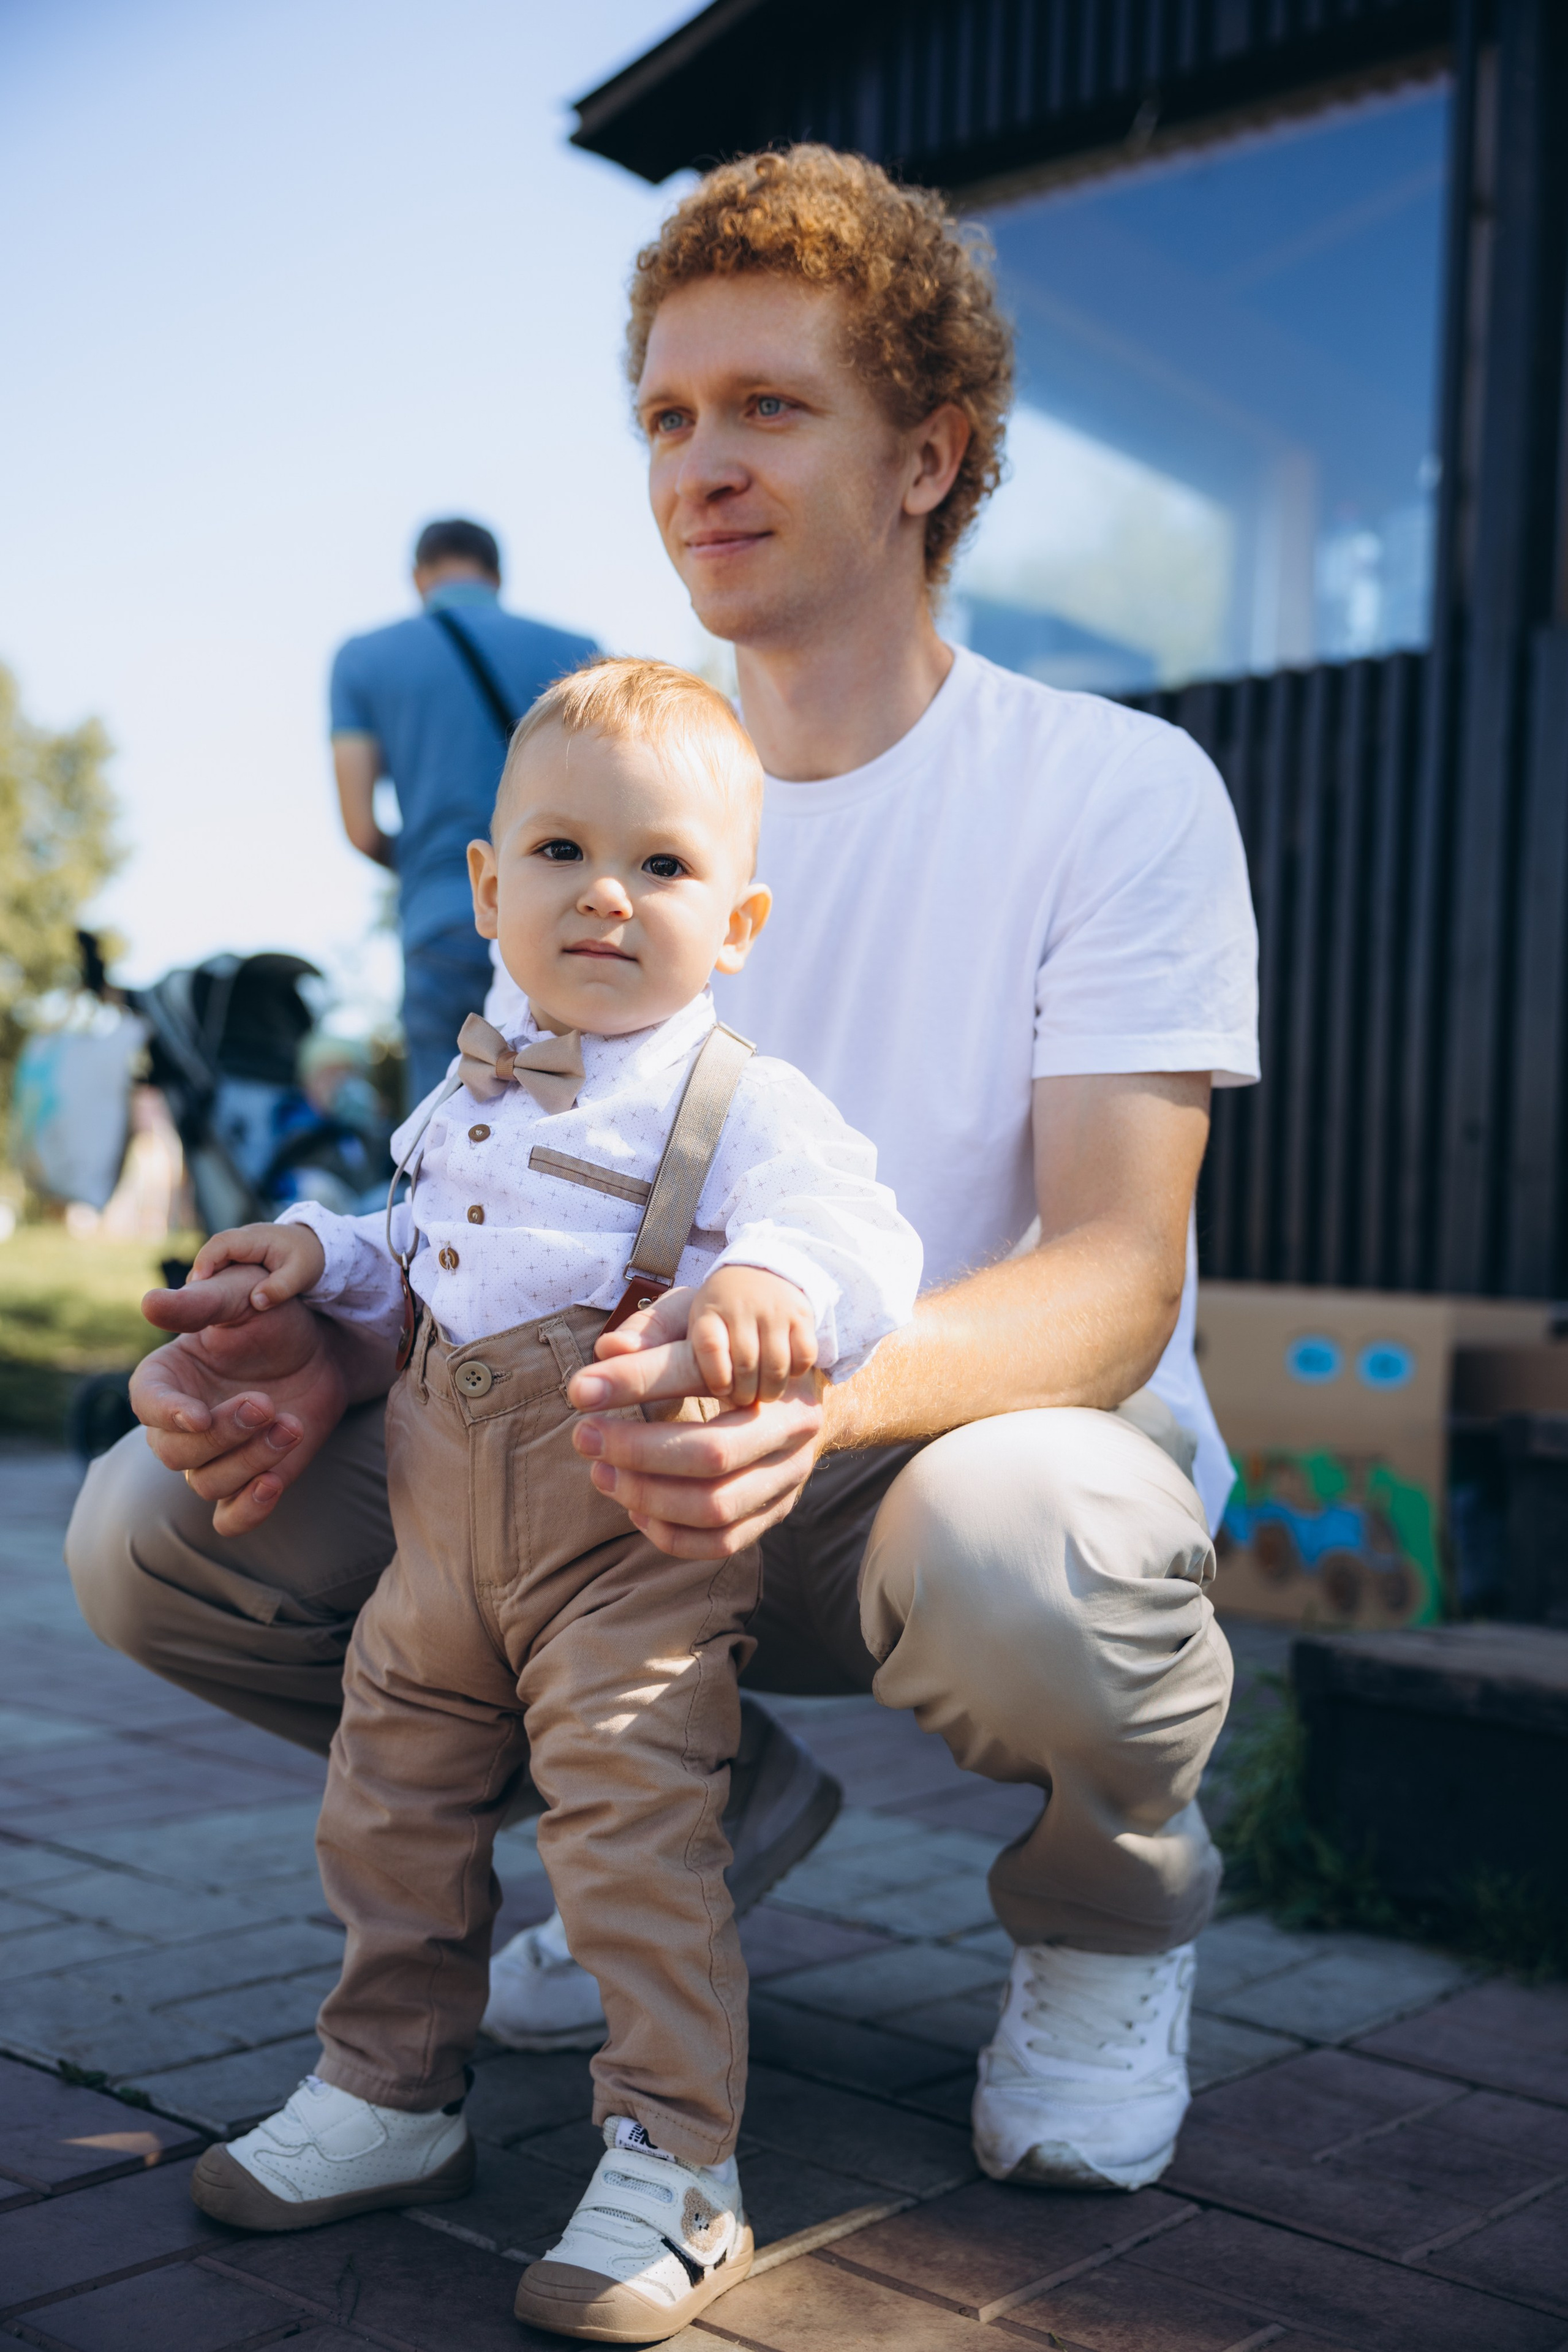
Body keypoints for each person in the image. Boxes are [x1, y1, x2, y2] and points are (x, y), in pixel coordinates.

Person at [67, 140, 1257, 2261]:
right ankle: (687, 1812)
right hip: (605, 1478)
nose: (701, 463)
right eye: (669, 418)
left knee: (1030, 1549)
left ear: (931, 457)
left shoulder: (1110, 789)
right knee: (156, 1531)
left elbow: (1112, 1268)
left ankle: (1101, 1919)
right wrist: (333, 1333)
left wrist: (821, 1385)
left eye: (773, 409)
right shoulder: (613, 790)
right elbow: (514, 1189)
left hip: (938, 1464)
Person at [181, 657, 920, 2340]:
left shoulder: (736, 1101)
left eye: (662, 868)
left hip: (627, 1556)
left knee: (634, 1846)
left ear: (734, 923)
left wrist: (780, 1281)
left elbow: (862, 1227)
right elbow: (420, 1273)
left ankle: (676, 2163)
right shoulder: (470, 1084)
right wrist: (320, 1258)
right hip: (437, 1551)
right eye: (565, 854)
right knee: (389, 1818)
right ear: (486, 887)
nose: (608, 893)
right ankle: (387, 2089)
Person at [331, 516, 597, 1103]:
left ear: (418, 577)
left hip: (441, 914)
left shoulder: (362, 660)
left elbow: (360, 827)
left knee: (438, 1135)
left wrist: (434, 869)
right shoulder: (579, 654)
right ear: (497, 575)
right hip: (566, 919)